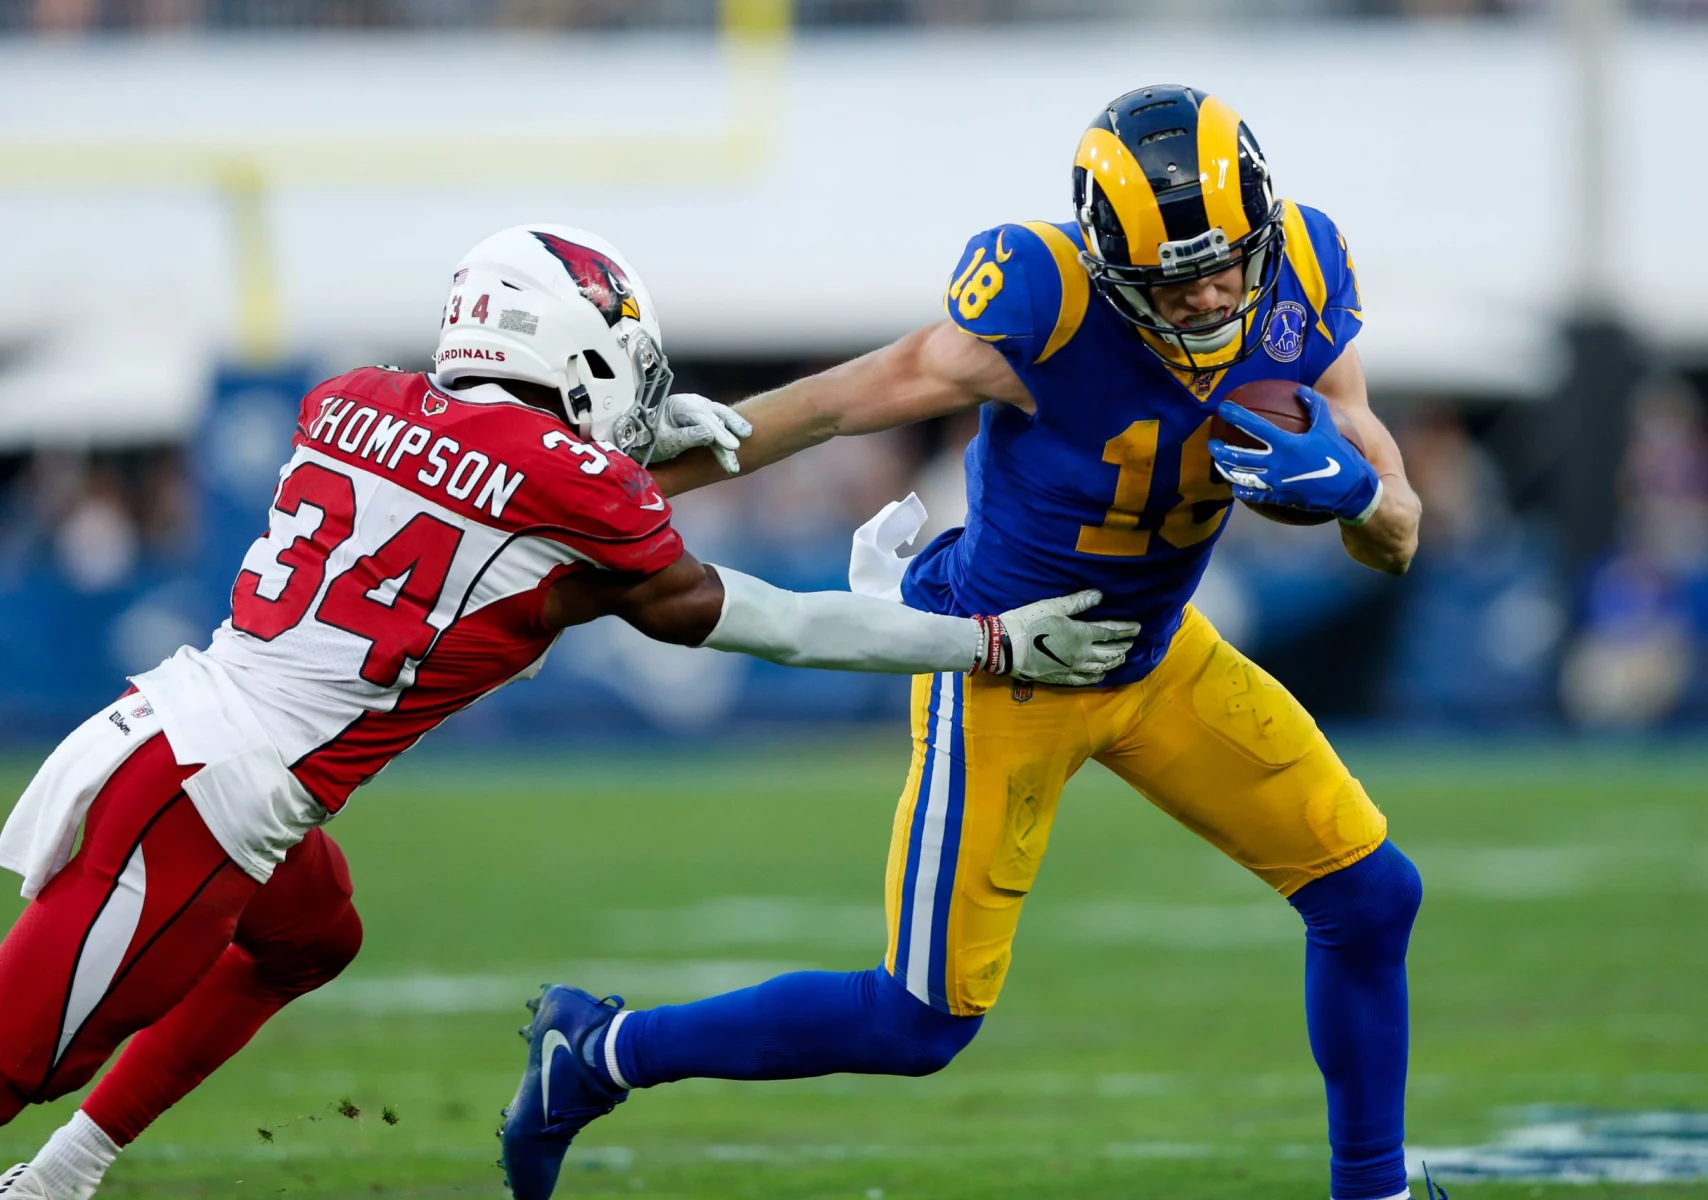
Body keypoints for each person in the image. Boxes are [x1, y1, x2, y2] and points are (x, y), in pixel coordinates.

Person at [0, 224, 1136, 1200]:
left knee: (311, 937)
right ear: (569, 341)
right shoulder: (564, 487)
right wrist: (984, 639)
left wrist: (625, 452)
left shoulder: (348, 399)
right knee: (21, 1058)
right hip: (209, 803)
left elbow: (490, 508)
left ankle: (63, 1175)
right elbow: (777, 622)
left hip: (168, 731)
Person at [505, 87, 1435, 1200]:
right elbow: (836, 406)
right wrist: (609, 491)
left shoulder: (1308, 274)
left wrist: (1353, 493)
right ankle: (599, 1054)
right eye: (1171, 281)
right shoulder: (1043, 305)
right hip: (1005, 664)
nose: (1206, 297)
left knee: (1371, 895)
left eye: (1225, 266)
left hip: (1153, 656)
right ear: (1107, 266)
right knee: (917, 1021)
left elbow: (1399, 538)